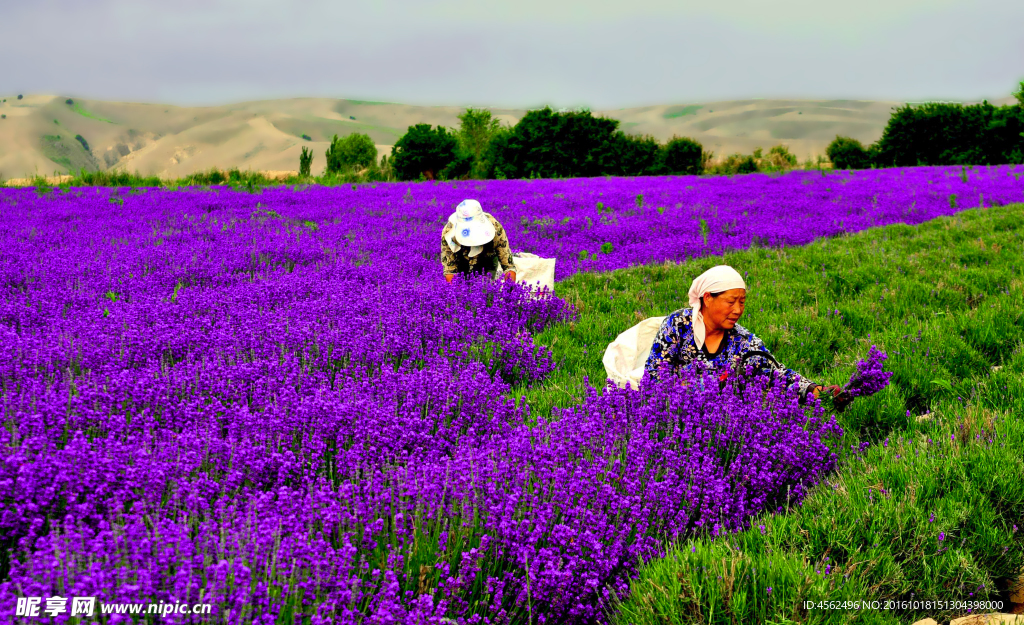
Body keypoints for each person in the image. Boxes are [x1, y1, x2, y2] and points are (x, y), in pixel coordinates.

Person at [644, 264, 851, 407]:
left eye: (742, 302)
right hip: (675, 410)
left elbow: (776, 373)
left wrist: (816, 391)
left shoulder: (743, 341)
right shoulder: (678, 325)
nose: (737, 310)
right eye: (731, 301)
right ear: (707, 298)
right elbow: (653, 376)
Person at [441, 199, 517, 283]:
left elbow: (508, 265)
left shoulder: (495, 228)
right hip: (461, 259)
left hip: (486, 259)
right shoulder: (449, 232)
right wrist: (458, 294)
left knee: (486, 286)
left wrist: (510, 289)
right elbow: (450, 270)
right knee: (461, 285)